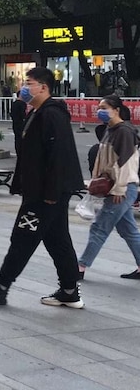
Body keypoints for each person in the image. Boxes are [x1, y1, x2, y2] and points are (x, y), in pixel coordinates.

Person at [0, 67, 85, 308]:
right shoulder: (39, 112)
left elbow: (58, 156)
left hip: (46, 193)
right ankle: (69, 290)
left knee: (23, 237)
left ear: (43, 87)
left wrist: (52, 193)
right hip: (44, 190)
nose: (24, 86)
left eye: (29, 82)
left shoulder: (51, 114)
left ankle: (0, 287)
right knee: (58, 240)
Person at [78, 96, 140, 280]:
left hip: (121, 189)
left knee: (99, 227)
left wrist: (119, 189)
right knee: (128, 230)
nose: (100, 111)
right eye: (99, 107)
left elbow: (128, 163)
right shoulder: (110, 130)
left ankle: (80, 267)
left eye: (104, 107)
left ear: (117, 110)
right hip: (115, 187)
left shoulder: (124, 131)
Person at [10, 88, 28, 156]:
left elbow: (12, 114)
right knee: (22, 139)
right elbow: (23, 115)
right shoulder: (22, 104)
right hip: (21, 124)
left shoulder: (14, 103)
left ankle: (18, 152)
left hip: (15, 123)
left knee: (17, 139)